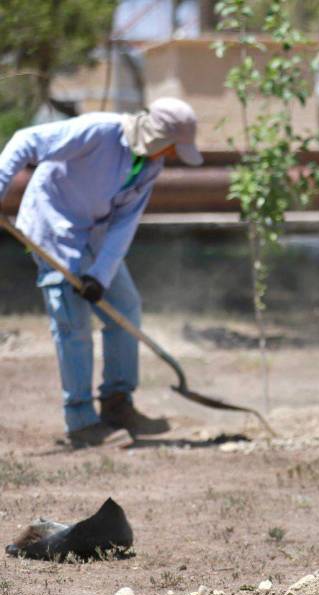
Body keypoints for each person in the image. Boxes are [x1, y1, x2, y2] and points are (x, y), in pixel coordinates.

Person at [0, 98, 202, 449]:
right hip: (55, 230)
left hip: (97, 235)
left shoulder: (150, 166)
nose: (170, 154)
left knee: (126, 309)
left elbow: (126, 223)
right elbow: (25, 140)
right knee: (73, 325)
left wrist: (100, 275)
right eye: (171, 146)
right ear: (155, 136)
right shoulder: (99, 131)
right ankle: (80, 421)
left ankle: (117, 404)